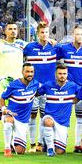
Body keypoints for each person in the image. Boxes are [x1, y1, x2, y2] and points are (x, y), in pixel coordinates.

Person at [0, 22, 27, 154]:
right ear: (5, 31)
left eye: (15, 29)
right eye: (10, 29)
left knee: (13, 114)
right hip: (2, 85)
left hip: (18, 86)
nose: (13, 31)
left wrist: (50, 40)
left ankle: (10, 143)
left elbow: (37, 46)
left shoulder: (22, 44)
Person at [58, 25, 82, 153]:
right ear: (73, 35)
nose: (79, 36)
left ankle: (78, 144)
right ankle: (59, 141)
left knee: (80, 118)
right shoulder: (64, 49)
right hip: (67, 88)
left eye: (81, 34)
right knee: (62, 116)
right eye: (77, 34)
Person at [24, 21, 59, 153]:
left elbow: (70, 48)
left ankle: (41, 143)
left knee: (45, 117)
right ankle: (32, 144)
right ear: (37, 34)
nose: (44, 35)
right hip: (33, 88)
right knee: (32, 115)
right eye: (42, 32)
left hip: (48, 88)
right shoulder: (29, 47)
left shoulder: (55, 47)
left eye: (46, 32)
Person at [0, 63, 41, 157]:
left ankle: (14, 139)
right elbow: (2, 98)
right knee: (8, 122)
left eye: (31, 72)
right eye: (27, 71)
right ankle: (7, 148)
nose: (29, 74)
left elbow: (41, 92)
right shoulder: (13, 85)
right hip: (11, 115)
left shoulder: (35, 84)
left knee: (20, 151)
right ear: (22, 72)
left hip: (23, 121)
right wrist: (3, 108)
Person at [38, 64, 80, 156]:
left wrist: (72, 101)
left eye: (64, 73)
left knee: (60, 152)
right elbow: (36, 93)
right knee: (48, 122)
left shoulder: (72, 86)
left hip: (63, 122)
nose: (62, 76)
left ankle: (55, 140)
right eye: (60, 73)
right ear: (55, 75)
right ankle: (49, 148)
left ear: (67, 74)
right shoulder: (48, 85)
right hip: (50, 117)